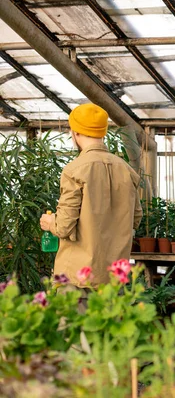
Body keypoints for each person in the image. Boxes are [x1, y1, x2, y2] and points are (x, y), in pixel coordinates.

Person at [39, 103, 142, 288]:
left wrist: (49, 222)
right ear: (102, 132)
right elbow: (136, 218)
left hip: (78, 277)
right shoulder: (126, 170)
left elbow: (63, 227)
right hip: (114, 278)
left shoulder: (74, 170)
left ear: (75, 132)